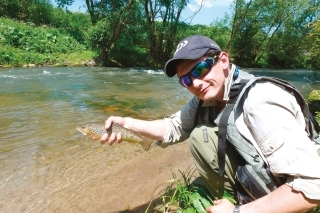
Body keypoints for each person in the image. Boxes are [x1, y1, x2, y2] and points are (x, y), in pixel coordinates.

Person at [99, 35, 320, 213]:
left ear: (223, 60)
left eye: (200, 69)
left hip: (293, 189)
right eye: (185, 80)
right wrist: (127, 123)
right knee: (199, 134)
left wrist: (237, 212)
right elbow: (174, 127)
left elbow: (314, 186)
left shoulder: (260, 102)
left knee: (202, 136)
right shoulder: (208, 96)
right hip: (267, 176)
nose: (195, 82)